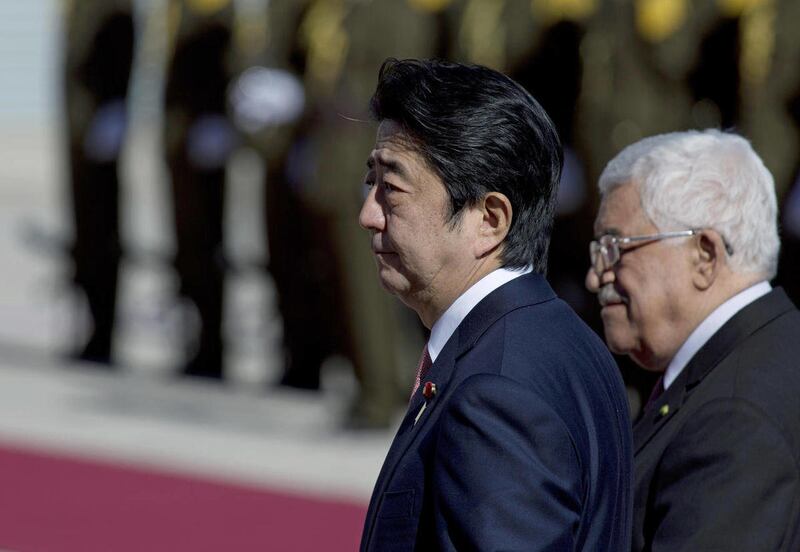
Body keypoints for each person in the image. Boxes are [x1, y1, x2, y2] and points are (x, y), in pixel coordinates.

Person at [358, 58, 633, 551]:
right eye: (370, 182)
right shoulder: (563, 340)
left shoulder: (495, 394)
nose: (368, 215)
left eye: (392, 190)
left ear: (489, 219)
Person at [585, 129, 800, 551]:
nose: (595, 277)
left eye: (614, 247)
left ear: (704, 255)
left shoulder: (735, 415)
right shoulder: (763, 356)